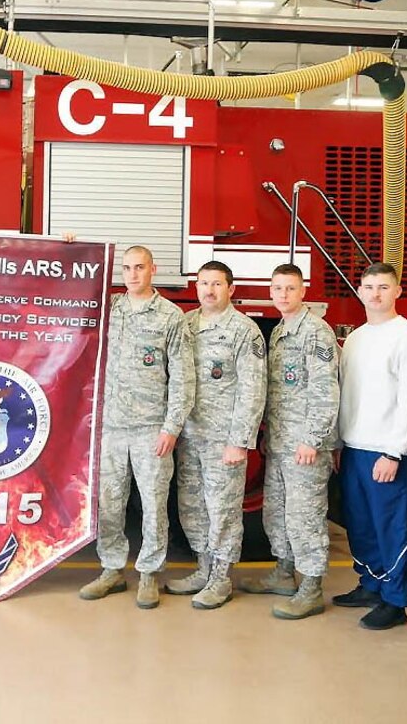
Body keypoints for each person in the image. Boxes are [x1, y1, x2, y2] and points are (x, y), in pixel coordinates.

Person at [78, 245, 194, 609]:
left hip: (150, 429)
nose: (132, 274)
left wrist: (171, 427)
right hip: (111, 428)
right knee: (109, 503)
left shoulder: (171, 317)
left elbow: (183, 378)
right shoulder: (109, 309)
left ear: (153, 270)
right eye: (127, 268)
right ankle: (111, 569)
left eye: (139, 267)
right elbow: (65, 293)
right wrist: (69, 248)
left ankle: (148, 573)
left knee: (154, 505)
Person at [333, 262, 407, 630]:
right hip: (356, 446)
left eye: (383, 287)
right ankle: (371, 584)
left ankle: (394, 600)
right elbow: (347, 395)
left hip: (388, 451)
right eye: (369, 286)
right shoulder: (356, 338)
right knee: (361, 525)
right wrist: (340, 442)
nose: (375, 294)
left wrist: (394, 450)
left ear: (397, 292)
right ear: (359, 291)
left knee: (392, 526)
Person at [240, 263, 338, 620]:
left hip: (305, 447)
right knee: (277, 512)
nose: (282, 295)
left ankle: (311, 587)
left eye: (290, 288)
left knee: (305, 516)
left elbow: (325, 390)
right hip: (281, 442)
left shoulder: (316, 333)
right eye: (277, 288)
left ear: (303, 291)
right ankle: (284, 573)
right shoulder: (281, 332)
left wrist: (312, 439)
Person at [167, 261, 266, 610]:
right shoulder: (186, 325)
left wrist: (240, 440)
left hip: (223, 438)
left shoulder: (244, 331)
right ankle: (203, 569)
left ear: (231, 289)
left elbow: (253, 390)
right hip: (191, 435)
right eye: (203, 283)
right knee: (192, 505)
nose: (209, 290)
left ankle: (221, 578)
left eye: (217, 284)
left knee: (222, 508)